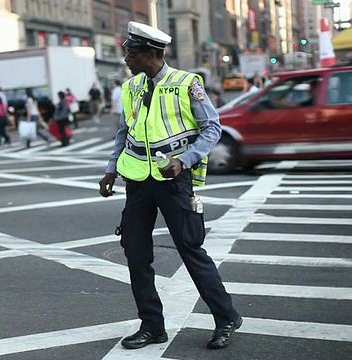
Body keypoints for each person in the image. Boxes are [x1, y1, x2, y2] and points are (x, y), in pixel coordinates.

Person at [98, 21, 241, 351]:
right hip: (137, 181)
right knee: (135, 251)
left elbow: (212, 128)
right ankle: (152, 326)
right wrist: (110, 171)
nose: (126, 59)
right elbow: (125, 132)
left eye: (131, 53)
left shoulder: (186, 83)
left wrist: (185, 160)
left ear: (151, 53)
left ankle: (226, 316)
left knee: (190, 249)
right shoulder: (131, 87)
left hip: (174, 180)